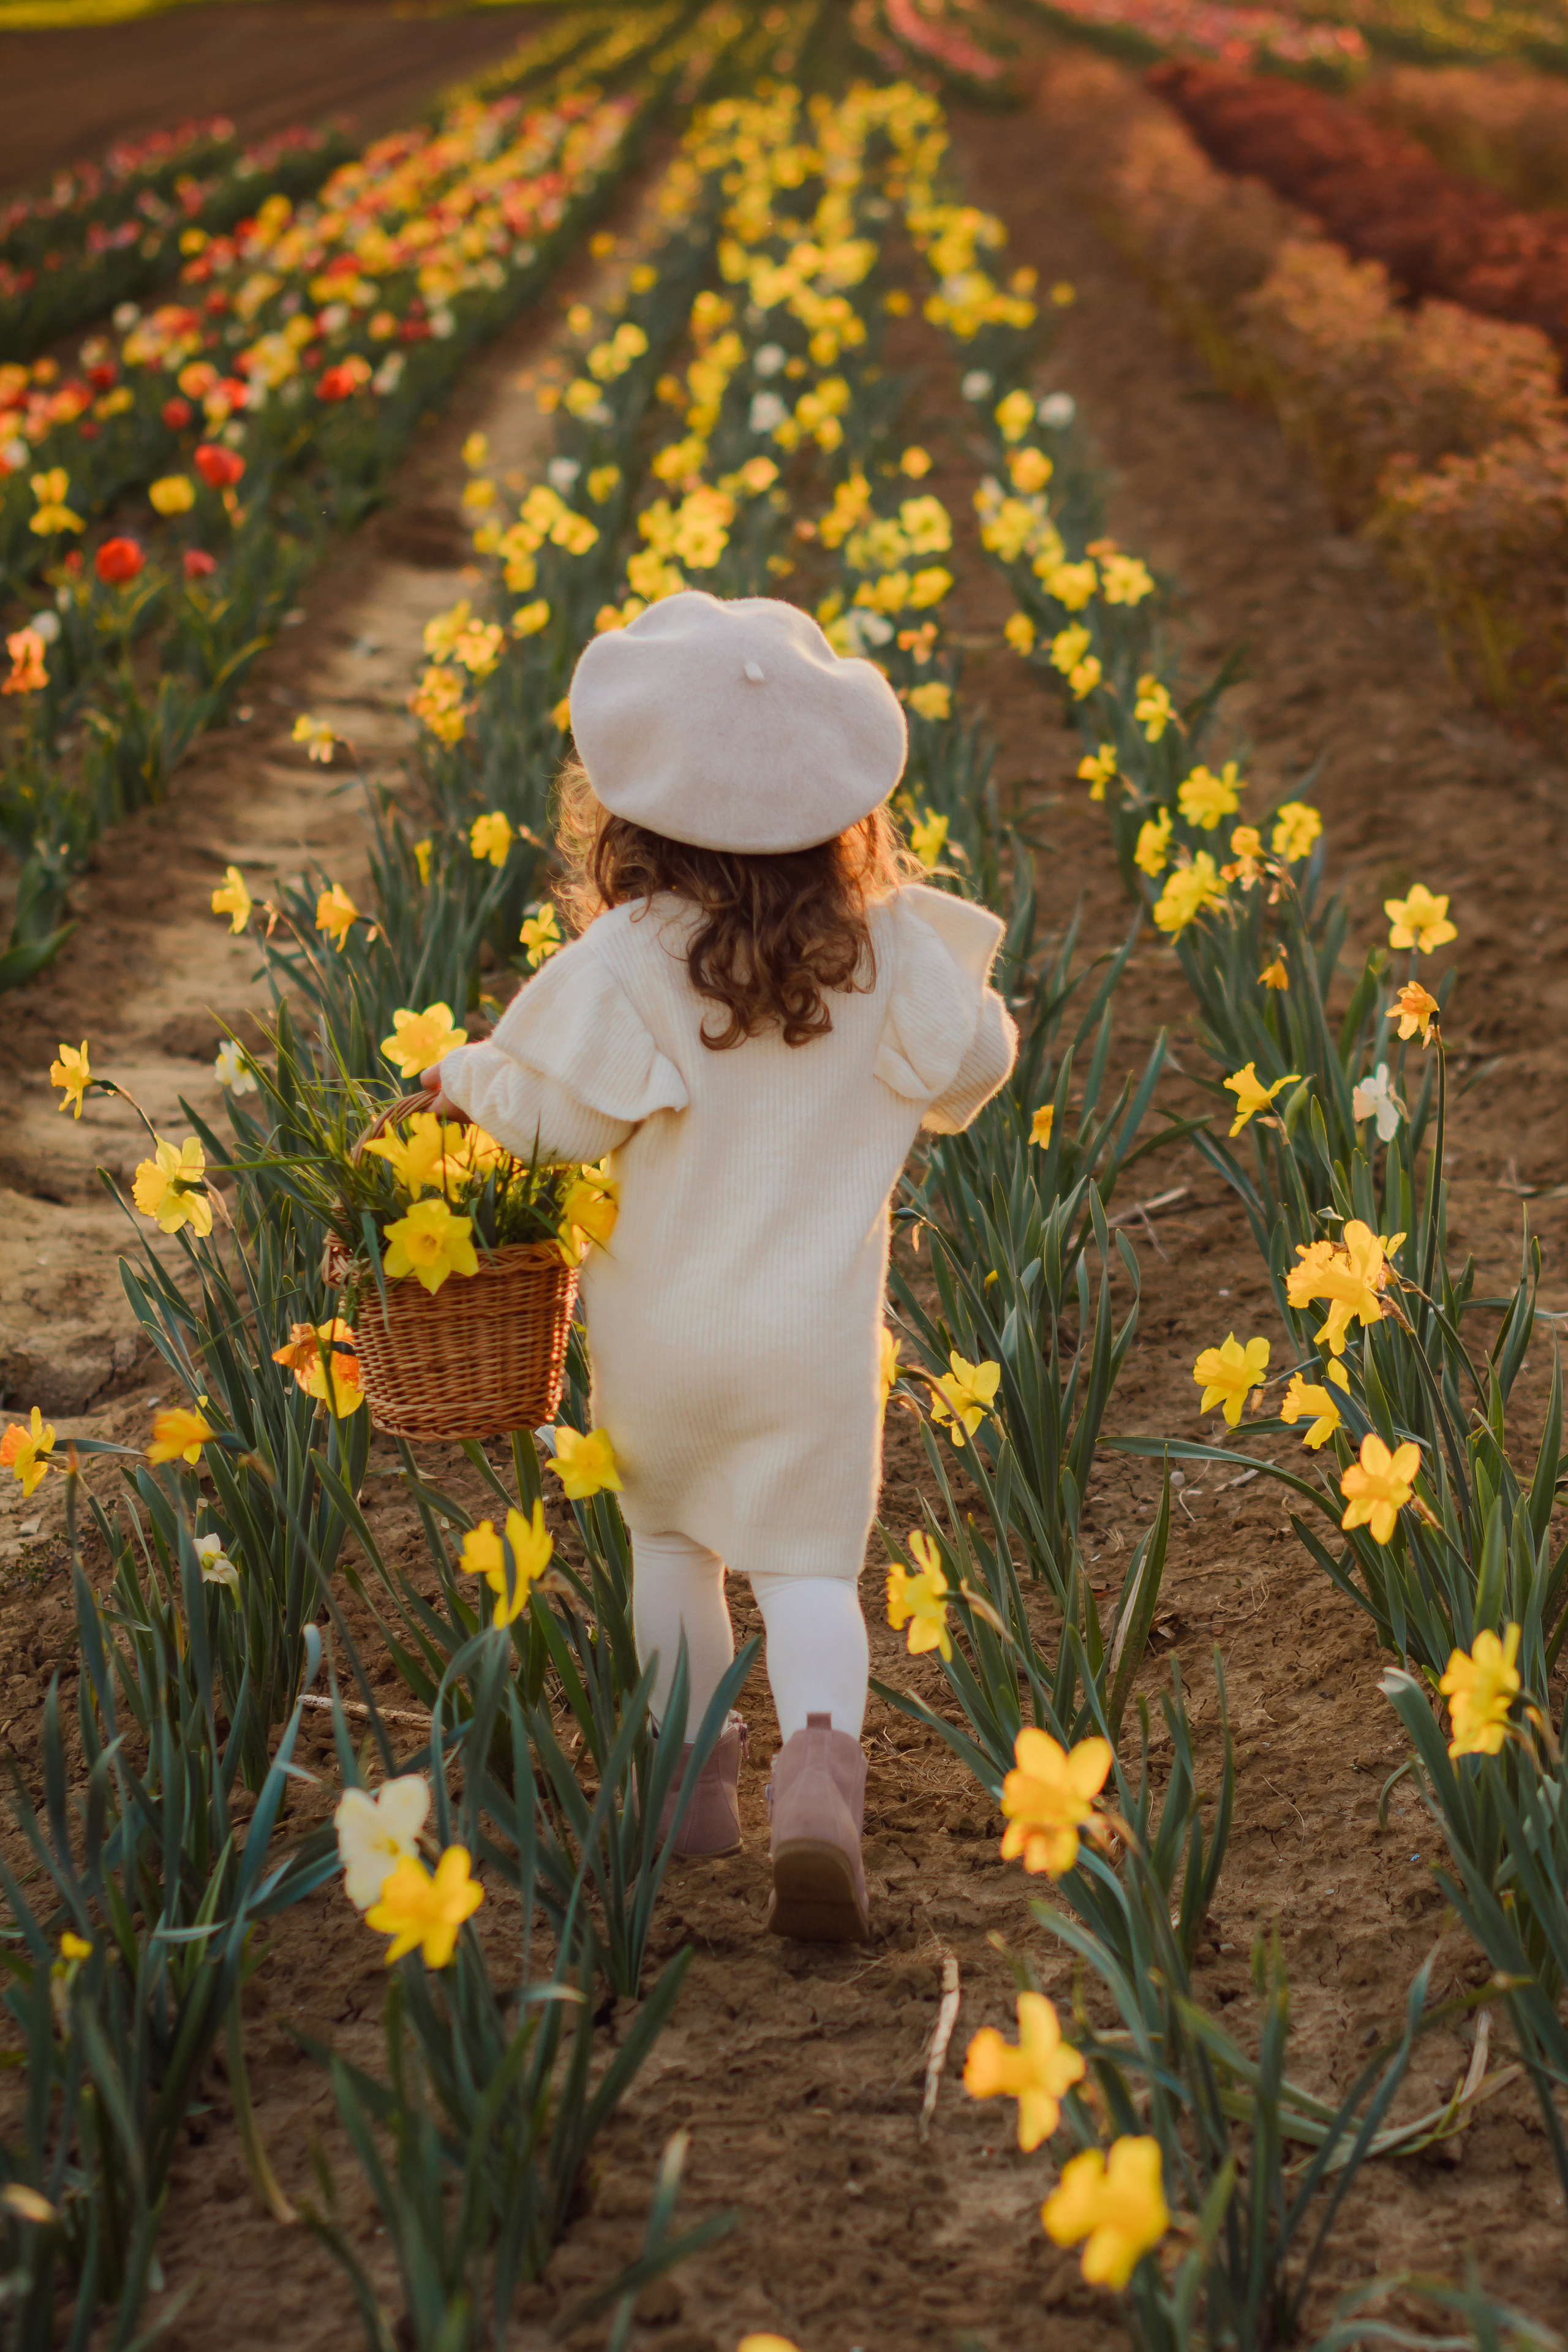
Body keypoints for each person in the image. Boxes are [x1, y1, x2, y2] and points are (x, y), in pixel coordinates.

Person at [428, 589, 1017, 1942]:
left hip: (663, 1345)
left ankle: (691, 1799)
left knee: (671, 1552)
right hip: (813, 1347)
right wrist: (903, 945)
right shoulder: (884, 953)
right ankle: (817, 1793)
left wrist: (463, 1077)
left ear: (633, 816)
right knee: (808, 1575)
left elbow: (553, 1121)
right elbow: (976, 1065)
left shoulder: (631, 958)